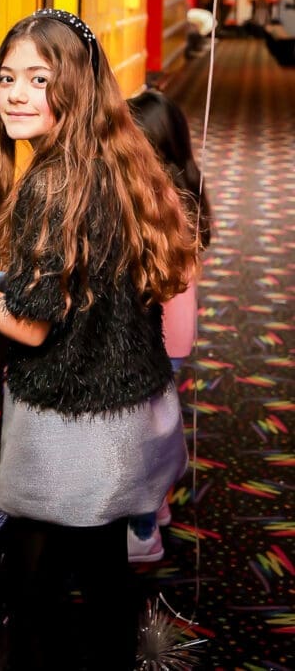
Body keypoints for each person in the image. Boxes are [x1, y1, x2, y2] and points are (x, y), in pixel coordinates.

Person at [0, 9, 199, 670]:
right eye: (6, 77)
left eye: (38, 80)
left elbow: (33, 323)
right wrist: (14, 259)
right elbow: (86, 275)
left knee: (33, 584)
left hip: (71, 425)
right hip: (126, 411)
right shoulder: (110, 159)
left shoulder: (52, 182)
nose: (15, 94)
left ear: (73, 86)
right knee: (102, 570)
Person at [126, 87, 212, 562]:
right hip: (176, 335)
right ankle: (156, 507)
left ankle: (143, 535)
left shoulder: (155, 204)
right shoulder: (186, 190)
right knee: (153, 424)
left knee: (138, 436)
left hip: (155, 337)